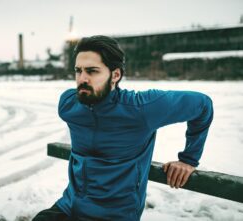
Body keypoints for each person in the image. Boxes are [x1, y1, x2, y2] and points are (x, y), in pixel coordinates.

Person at [33, 35, 213, 221]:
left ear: (116, 75)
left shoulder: (142, 108)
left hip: (114, 216)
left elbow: (203, 106)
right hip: (69, 207)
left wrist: (188, 159)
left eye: (92, 71)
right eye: (78, 71)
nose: (82, 79)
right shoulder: (69, 104)